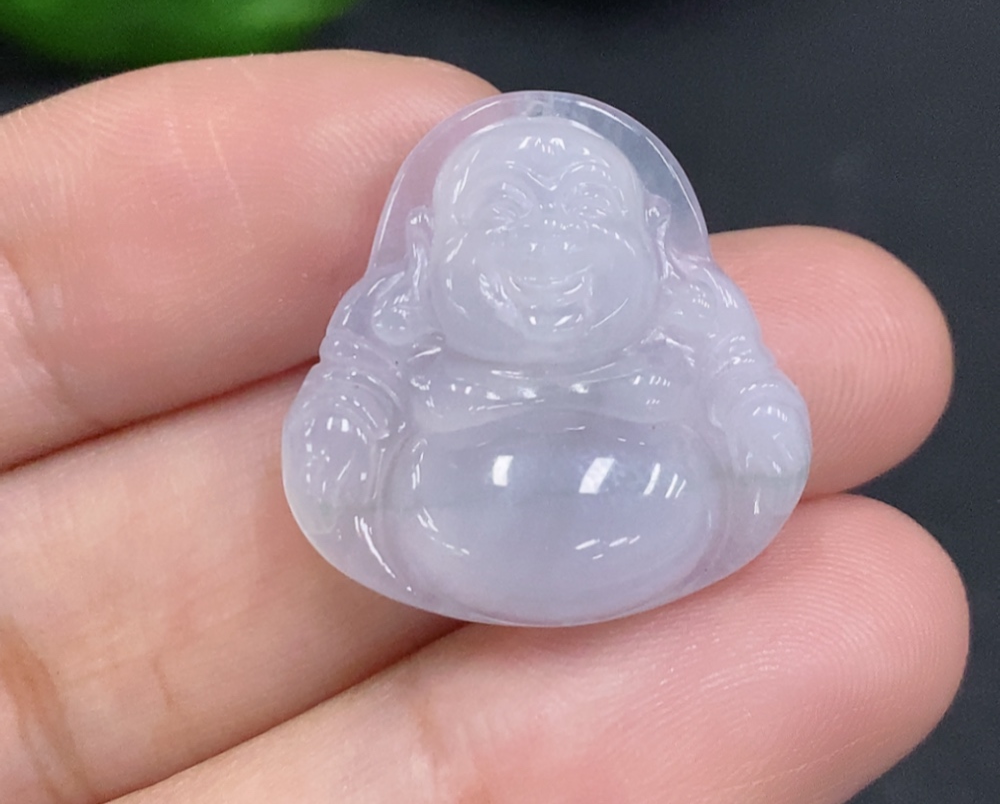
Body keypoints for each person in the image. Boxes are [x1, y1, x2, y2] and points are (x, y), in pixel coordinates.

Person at [0, 51, 967, 804]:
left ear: (646, 245)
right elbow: (351, 409)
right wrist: (346, 438)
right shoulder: (406, 339)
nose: (548, 246)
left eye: (583, 217)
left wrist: (752, 419)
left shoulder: (685, 338)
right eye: (505, 217)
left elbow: (747, 399)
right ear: (432, 253)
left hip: (653, 500)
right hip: (453, 507)